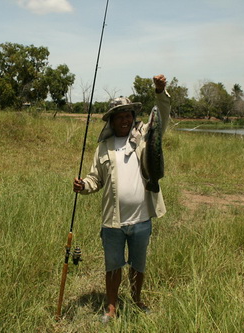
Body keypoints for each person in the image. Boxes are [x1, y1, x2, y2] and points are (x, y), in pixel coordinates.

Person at [73, 74, 170, 322]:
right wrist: (84, 185)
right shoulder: (103, 147)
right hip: (113, 222)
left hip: (141, 219)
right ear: (113, 121)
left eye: (128, 115)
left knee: (138, 265)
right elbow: (96, 179)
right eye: (120, 116)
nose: (125, 119)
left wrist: (160, 92)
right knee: (113, 266)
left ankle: (137, 301)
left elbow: (163, 117)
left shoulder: (144, 135)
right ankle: (112, 307)